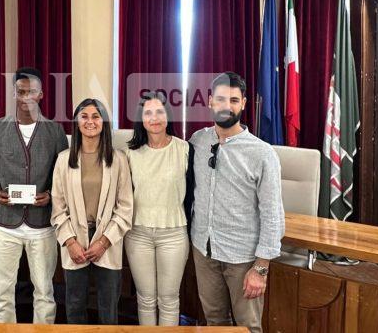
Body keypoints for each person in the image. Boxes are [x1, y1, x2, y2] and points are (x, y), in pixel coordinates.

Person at [190, 72, 285, 333]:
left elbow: (273, 215)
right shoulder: (198, 141)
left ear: (243, 103)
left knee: (248, 327)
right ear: (210, 101)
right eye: (220, 99)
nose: (226, 105)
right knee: (214, 323)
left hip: (242, 260)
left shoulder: (262, 153)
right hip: (204, 251)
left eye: (233, 100)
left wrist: (261, 268)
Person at [0, 67, 68, 324]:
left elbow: (63, 174)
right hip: (4, 223)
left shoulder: (55, 131)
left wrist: (51, 195)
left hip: (42, 224)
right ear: (14, 93)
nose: (26, 96)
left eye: (31, 91)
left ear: (41, 94)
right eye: (21, 91)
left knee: (44, 291)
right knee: (2, 292)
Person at [51, 99, 133, 324]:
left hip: (107, 240)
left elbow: (125, 207)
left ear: (104, 122)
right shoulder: (63, 160)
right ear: (76, 123)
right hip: (75, 241)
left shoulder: (118, 159)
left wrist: (104, 242)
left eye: (95, 116)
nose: (90, 121)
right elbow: (57, 208)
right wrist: (70, 242)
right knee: (75, 307)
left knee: (108, 310)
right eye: (84, 116)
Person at [124, 91, 195, 325]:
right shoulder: (130, 153)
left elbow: (194, 194)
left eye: (159, 112)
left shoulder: (185, 149)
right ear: (141, 119)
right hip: (138, 233)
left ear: (168, 116)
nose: (154, 118)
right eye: (148, 113)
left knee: (169, 300)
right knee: (145, 299)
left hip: (174, 233)